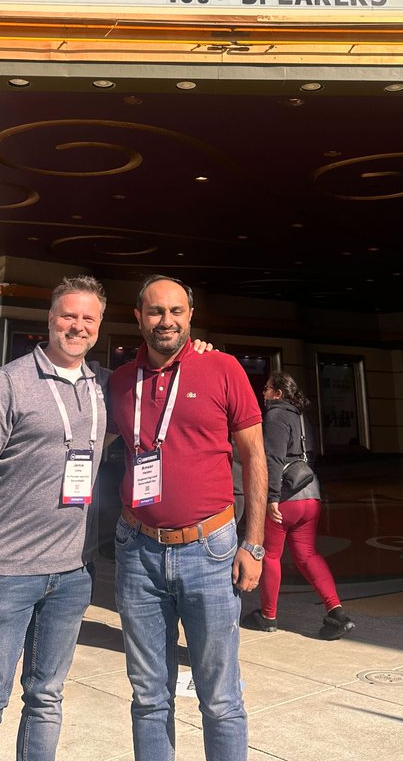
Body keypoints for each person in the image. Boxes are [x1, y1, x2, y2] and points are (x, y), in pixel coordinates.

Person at [0, 274, 110, 761]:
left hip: (73, 573)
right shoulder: (9, 383)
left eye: (88, 318)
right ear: (50, 319)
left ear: (99, 325)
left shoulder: (101, 386)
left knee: (46, 698)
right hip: (7, 573)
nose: (77, 326)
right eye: (69, 315)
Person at [109, 275, 268, 761]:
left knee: (220, 698)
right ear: (138, 317)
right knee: (149, 696)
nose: (167, 321)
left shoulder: (222, 368)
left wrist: (253, 543)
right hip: (137, 552)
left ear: (191, 316)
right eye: (156, 311)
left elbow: (255, 457)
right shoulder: (118, 381)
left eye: (176, 311)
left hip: (211, 548)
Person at [243, 372, 355, 638]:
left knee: (271, 555)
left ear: (279, 394)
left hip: (285, 498)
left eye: (267, 389)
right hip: (310, 493)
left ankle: (268, 616)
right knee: (307, 555)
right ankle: (336, 611)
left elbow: (273, 458)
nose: (264, 393)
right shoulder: (303, 417)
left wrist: (271, 497)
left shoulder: (275, 416)